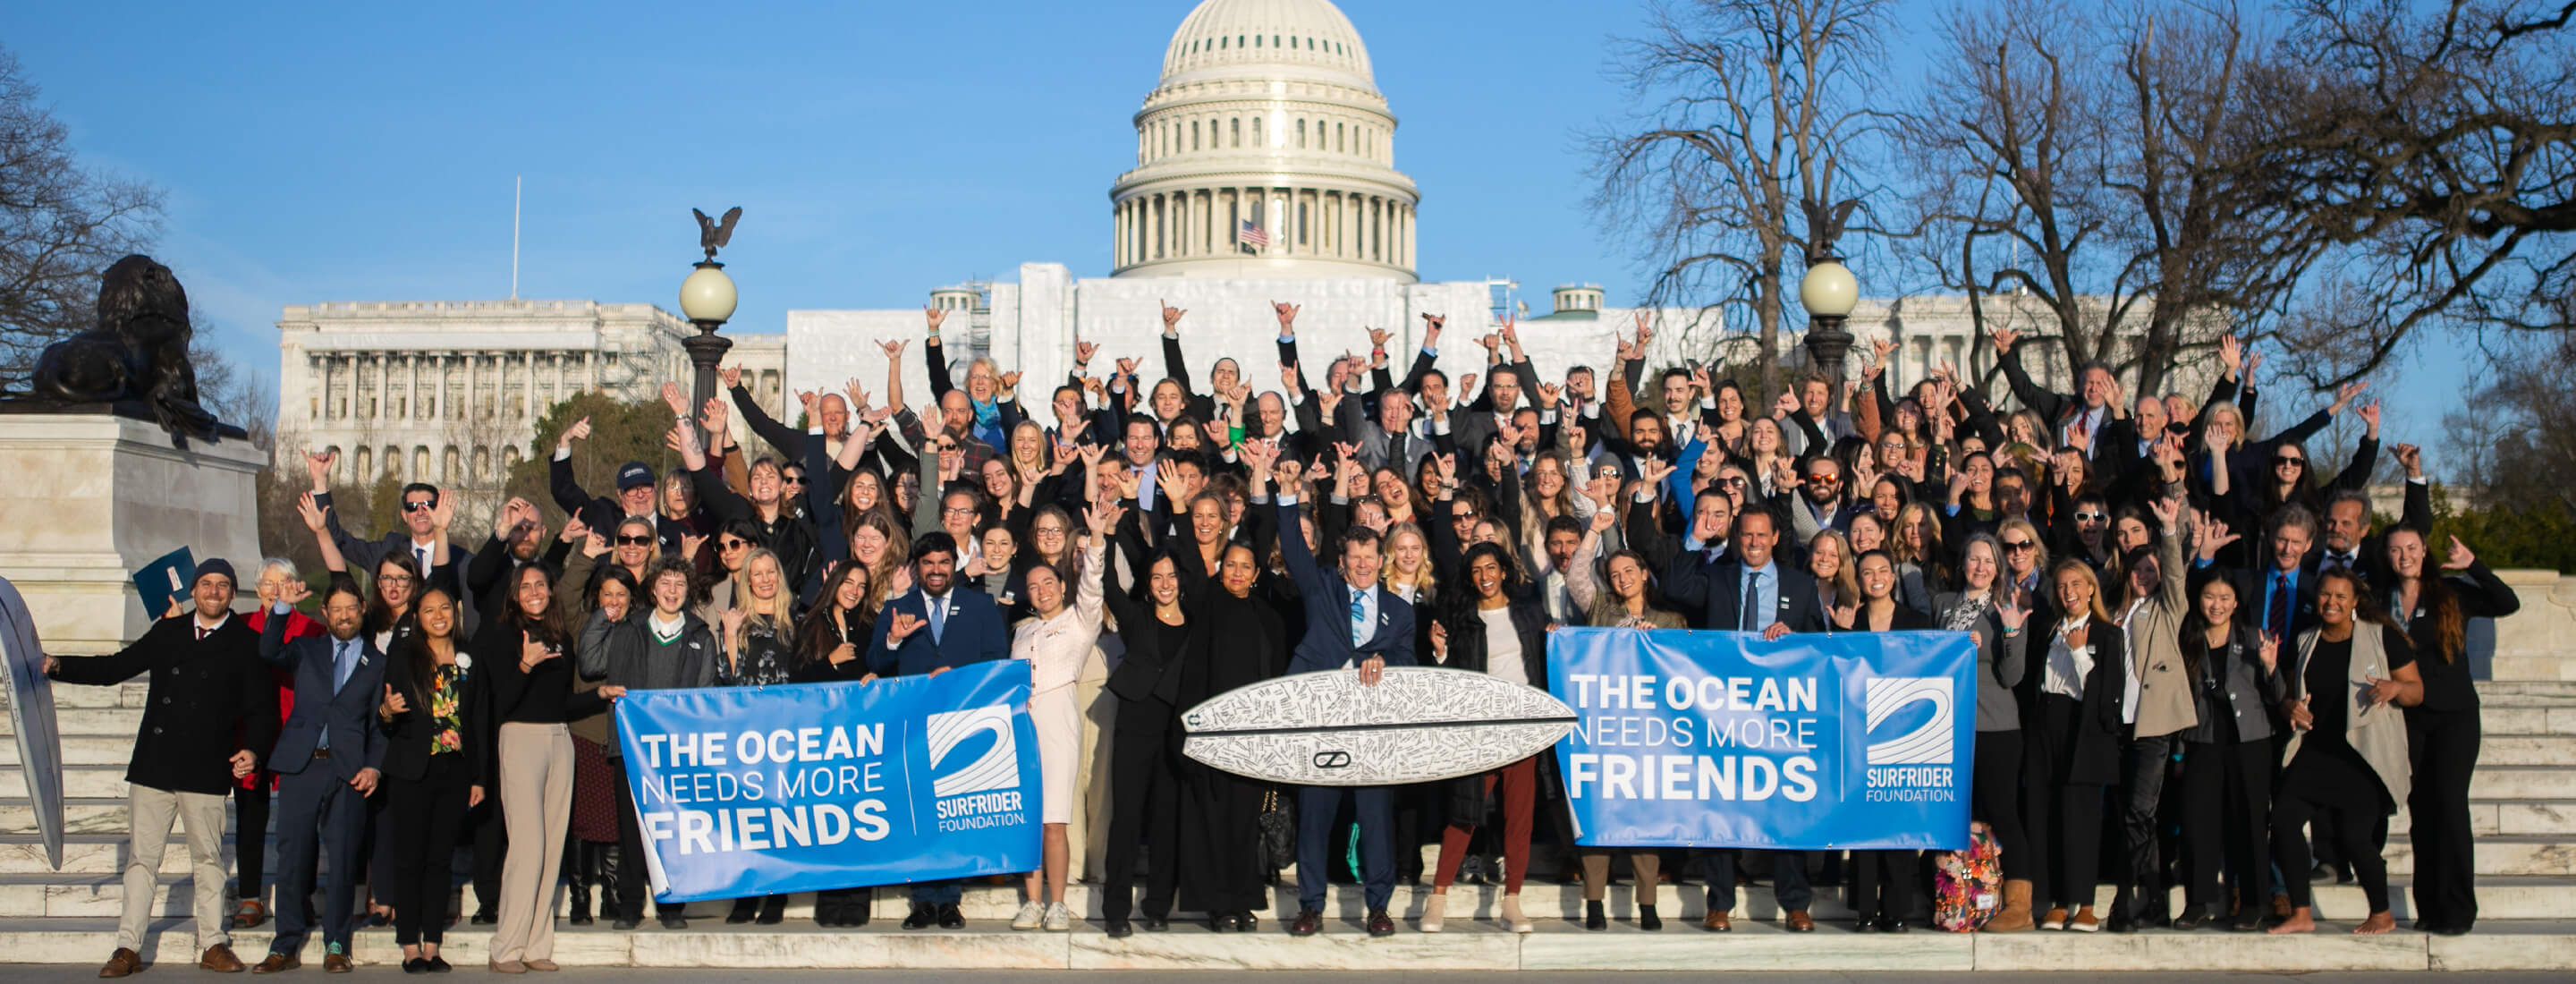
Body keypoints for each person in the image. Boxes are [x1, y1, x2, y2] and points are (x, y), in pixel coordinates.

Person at [45, 559, 276, 977]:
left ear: (231, 592)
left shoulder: (247, 642)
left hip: (207, 769)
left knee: (208, 860)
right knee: (141, 862)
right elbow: (114, 668)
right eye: (206, 584)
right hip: (154, 765)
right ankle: (127, 947)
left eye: (223, 585)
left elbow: (263, 710)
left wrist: (254, 751)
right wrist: (57, 665)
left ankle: (213, 943)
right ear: (194, 589)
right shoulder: (168, 632)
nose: (214, 592)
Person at [1659, 505, 1824, 932]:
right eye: (1746, 536)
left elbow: (1824, 650)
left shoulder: (1801, 586)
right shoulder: (1718, 578)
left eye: (1760, 536)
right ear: (1738, 539)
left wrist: (1796, 640)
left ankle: (1795, 903)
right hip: (1722, 713)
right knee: (1721, 805)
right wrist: (1695, 538)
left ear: (1774, 539)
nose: (1753, 543)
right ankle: (1720, 902)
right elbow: (1674, 588)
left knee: (1788, 805)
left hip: (1780, 715)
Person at [1274, 493, 1416, 938]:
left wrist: (1386, 661)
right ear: (1343, 561)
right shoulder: (1322, 591)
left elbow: (1410, 661)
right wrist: (1284, 494)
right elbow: (1294, 549)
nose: (1362, 566)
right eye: (1354, 558)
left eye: (1369, 557)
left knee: (1376, 821)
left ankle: (1379, 908)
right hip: (1323, 724)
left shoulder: (1402, 612)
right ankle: (1311, 906)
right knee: (1315, 817)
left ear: (1381, 559)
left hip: (1372, 731)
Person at [479, 564, 627, 972]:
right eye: (525, 586)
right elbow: (499, 703)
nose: (534, 592)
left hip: (559, 739)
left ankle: (535, 946)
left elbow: (561, 703)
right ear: (514, 593)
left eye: (540, 585)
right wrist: (524, 665)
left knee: (550, 848)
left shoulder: (561, 636)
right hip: (520, 740)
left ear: (550, 590)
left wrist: (600, 694)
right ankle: (505, 948)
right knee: (527, 849)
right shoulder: (502, 635)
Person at [865, 531, 1011, 929]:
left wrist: (958, 679)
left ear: (954, 565)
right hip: (912, 726)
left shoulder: (981, 605)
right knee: (919, 813)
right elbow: (875, 659)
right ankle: (922, 901)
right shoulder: (899, 606)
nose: (936, 570)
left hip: (963, 725)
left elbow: (996, 660)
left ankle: (949, 900)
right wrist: (894, 638)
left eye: (944, 562)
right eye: (928, 563)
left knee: (953, 814)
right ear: (917, 568)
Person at [2270, 569, 2421, 936]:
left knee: (2355, 837)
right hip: (2317, 752)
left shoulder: (2382, 637)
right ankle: (2301, 913)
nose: (2332, 602)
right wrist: (2290, 707)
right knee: (2284, 821)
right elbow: (2288, 695)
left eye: (2341, 596)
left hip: (2362, 756)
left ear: (2355, 601)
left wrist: (2394, 686)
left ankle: (2382, 913)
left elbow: (2416, 691)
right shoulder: (2306, 639)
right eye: (2325, 595)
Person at [2384, 529, 2520, 935]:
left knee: (2449, 805)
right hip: (2409, 717)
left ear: (2424, 552)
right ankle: (2430, 907)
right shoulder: (2379, 599)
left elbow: (2507, 603)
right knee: (2422, 813)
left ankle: (2459, 908)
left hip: (2455, 715)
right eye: (2396, 550)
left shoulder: (2451, 592)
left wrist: (2474, 565)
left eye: (2412, 548)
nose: (2405, 556)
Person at [250, 576, 386, 973]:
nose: (344, 617)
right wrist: (282, 608)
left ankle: (337, 943)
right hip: (301, 766)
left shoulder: (376, 663)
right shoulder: (307, 649)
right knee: (292, 857)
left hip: (348, 772)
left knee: (343, 860)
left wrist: (374, 765)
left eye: (351, 608)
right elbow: (268, 649)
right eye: (336, 610)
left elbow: (380, 726)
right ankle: (284, 944)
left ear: (362, 609)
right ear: (324, 614)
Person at [579, 560, 718, 930]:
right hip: (631, 745)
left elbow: (705, 695)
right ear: (653, 589)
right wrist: (601, 618)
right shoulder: (628, 629)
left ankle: (672, 905)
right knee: (630, 830)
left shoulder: (701, 636)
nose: (672, 591)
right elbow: (590, 663)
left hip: (677, 751)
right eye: (665, 583)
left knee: (674, 829)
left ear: (688, 592)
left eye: (680, 585)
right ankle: (629, 905)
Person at [1421, 543, 1552, 935]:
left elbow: (1542, 660)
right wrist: (1440, 652)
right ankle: (1437, 898)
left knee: (1519, 817)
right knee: (1464, 812)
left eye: (1491, 567)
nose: (1485, 576)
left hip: (1522, 728)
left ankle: (1512, 901)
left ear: (1505, 571)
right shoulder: (1461, 618)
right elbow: (1450, 676)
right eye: (1477, 570)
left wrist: (1556, 634)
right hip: (1480, 729)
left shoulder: (1529, 612)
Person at [1003, 504, 1111, 933]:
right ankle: (1032, 900)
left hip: (1058, 718)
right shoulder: (1021, 631)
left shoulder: (1080, 622)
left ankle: (1058, 901)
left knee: (1054, 817)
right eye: (1033, 586)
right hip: (1021, 724)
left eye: (1048, 582)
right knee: (1028, 817)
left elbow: (1093, 588)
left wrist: (1098, 539)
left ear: (1061, 585)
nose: (1041, 590)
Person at [375, 585, 484, 971]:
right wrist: (387, 711)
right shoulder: (404, 657)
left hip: (454, 771)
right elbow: (384, 718)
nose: (438, 616)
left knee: (440, 860)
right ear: (417, 618)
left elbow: (479, 723)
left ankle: (433, 945)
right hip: (411, 770)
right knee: (409, 858)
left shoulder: (470, 657)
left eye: (444, 609)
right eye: (428, 611)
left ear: (455, 612)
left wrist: (479, 777)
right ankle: (409, 944)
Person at [2105, 496, 2199, 932]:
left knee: (2138, 814)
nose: (2143, 576)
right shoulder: (2117, 611)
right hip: (2118, 724)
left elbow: (2177, 574)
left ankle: (2128, 900)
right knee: (2134, 815)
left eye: (2151, 571)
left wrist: (2167, 529)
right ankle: (2156, 899)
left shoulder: (2167, 608)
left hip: (2153, 725)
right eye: (2137, 570)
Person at [2173, 561, 2283, 932]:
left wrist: (2270, 667)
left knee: (2250, 823)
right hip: (2202, 742)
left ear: (2236, 602)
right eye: (2209, 596)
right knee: (2196, 823)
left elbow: (2278, 698)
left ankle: (2253, 902)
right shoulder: (2188, 638)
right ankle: (2197, 901)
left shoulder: (2255, 638)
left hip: (2249, 744)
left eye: (2224, 598)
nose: (2216, 605)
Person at [1835, 551, 1937, 932]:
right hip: (1856, 734)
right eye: (1867, 572)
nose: (1875, 578)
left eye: (1882, 571)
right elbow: (1836, 672)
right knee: (1863, 827)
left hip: (1903, 735)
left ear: (1893, 577)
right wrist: (1841, 636)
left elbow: (1934, 667)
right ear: (1857, 579)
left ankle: (1895, 909)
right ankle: (1865, 910)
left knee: (1897, 824)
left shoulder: (1917, 622)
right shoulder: (1850, 620)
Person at [1934, 534, 2031, 931]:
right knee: (1959, 816)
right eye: (1973, 560)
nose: (1980, 567)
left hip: (1996, 726)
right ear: (1963, 564)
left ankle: (2019, 906)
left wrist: (2008, 635)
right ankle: (1964, 898)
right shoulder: (1942, 604)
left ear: (1998, 568)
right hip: (1949, 727)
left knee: (2003, 812)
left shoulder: (2007, 607)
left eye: (1988, 561)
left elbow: (2012, 676)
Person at [2026, 559, 2128, 933]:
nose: (2068, 592)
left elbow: (2107, 698)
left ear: (2090, 589)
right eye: (2062, 585)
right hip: (2045, 726)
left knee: (2080, 819)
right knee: (2047, 814)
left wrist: (2081, 654)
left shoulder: (2107, 634)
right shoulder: (2048, 629)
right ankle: (2055, 901)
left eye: (2076, 585)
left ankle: (2085, 903)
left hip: (2082, 730)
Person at [1096, 535, 1187, 937]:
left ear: (1180, 580)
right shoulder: (1135, 619)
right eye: (1156, 576)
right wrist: (1110, 533)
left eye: (1170, 575)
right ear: (1147, 583)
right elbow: (1109, 586)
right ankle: (1115, 910)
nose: (1164, 583)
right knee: (1127, 820)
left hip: (1176, 734)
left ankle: (1157, 907)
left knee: (1167, 823)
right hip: (1134, 729)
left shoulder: (1198, 624)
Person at [232, 558, 321, 932]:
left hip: (296, 732)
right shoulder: (240, 627)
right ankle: (250, 896)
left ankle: (302, 895)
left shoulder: (313, 630)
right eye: (268, 584)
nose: (274, 590)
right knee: (250, 816)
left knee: (302, 822)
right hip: (251, 735)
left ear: (297, 587)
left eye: (283, 582)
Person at [790, 560, 880, 927]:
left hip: (860, 735)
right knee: (829, 821)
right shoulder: (812, 623)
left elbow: (882, 664)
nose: (855, 590)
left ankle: (856, 903)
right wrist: (830, 660)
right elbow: (796, 678)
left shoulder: (869, 625)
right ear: (835, 582)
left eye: (861, 585)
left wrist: (876, 673)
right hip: (823, 735)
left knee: (860, 819)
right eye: (849, 582)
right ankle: (829, 903)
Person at [716, 548, 798, 925]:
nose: (765, 579)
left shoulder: (795, 619)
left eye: (771, 572)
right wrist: (731, 635)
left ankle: (777, 895)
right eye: (757, 573)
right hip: (745, 733)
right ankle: (746, 896)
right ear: (747, 580)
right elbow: (728, 679)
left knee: (781, 815)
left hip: (786, 732)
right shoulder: (736, 619)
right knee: (746, 816)